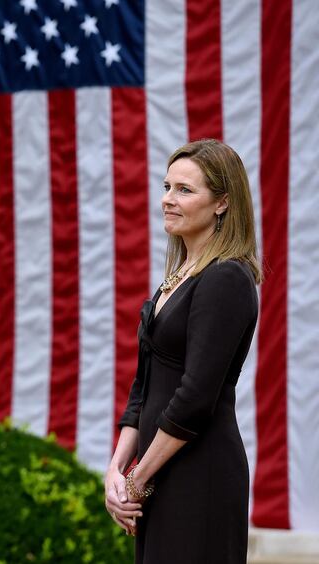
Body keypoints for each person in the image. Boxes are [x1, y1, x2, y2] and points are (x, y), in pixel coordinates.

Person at [104, 139, 261, 564]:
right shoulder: (177, 278)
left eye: (184, 190)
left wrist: (138, 479)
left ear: (222, 204)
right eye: (167, 186)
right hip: (157, 472)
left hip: (200, 473)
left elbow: (194, 397)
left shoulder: (227, 278)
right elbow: (144, 385)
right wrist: (116, 470)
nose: (167, 200)